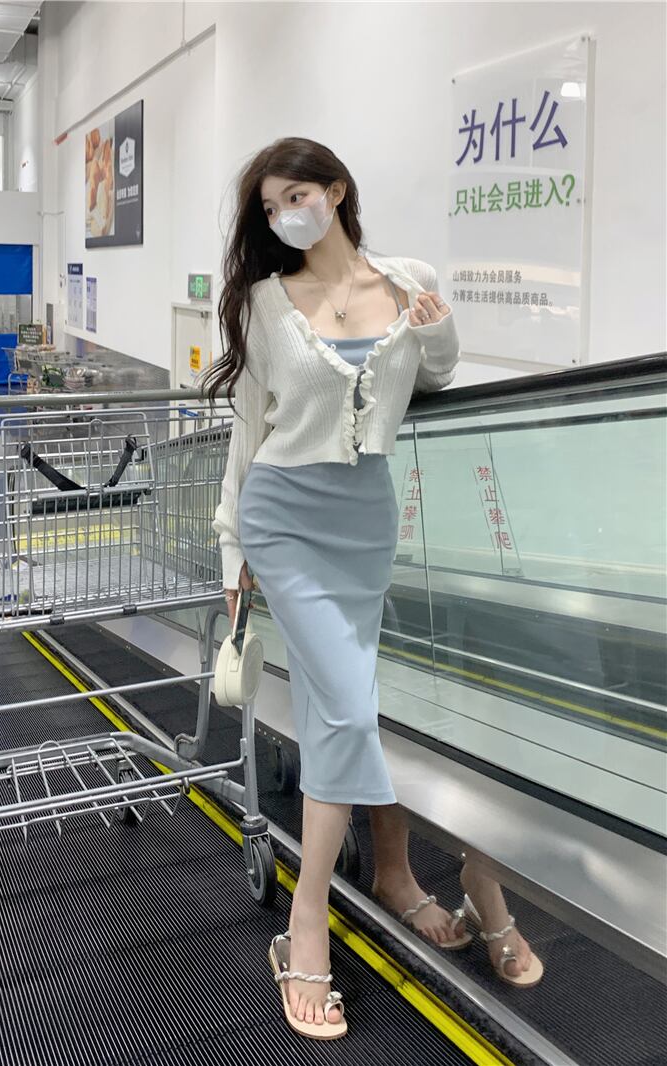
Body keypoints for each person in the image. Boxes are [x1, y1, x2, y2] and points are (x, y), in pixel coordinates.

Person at [202, 137, 542, 1040]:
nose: (285, 216)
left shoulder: (407, 278)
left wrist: (436, 326)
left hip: (365, 523)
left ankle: (348, 897)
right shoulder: (264, 303)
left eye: (297, 195)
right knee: (351, 713)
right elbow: (248, 432)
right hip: (284, 518)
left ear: (337, 190)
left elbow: (437, 372)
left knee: (337, 712)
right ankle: (307, 918)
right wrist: (232, 548)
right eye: (270, 207)